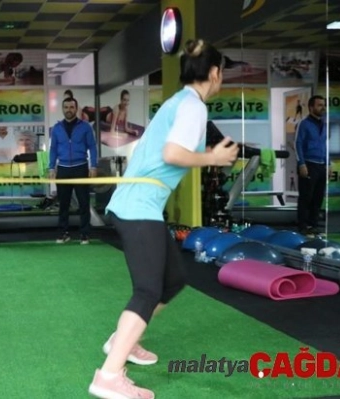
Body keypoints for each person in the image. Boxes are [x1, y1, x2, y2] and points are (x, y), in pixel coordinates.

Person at [89, 39, 238, 399]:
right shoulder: (192, 106)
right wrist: (212, 159)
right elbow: (173, 153)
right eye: (221, 74)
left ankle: (122, 340)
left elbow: (170, 150)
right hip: (137, 207)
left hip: (142, 206)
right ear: (215, 74)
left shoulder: (181, 102)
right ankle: (108, 377)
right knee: (148, 290)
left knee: (172, 280)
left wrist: (205, 154)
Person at [48, 97, 98, 245]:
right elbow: (53, 149)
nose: (68, 110)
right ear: (62, 109)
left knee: (84, 203)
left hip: (81, 167)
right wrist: (51, 167)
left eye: (71, 107)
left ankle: (85, 234)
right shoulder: (57, 128)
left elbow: (92, 147)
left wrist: (93, 166)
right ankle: (63, 233)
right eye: (66, 107)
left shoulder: (85, 127)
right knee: (64, 204)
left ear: (76, 109)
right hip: (63, 169)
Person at [295, 95, 328, 236]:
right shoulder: (304, 124)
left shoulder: (324, 124)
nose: (323, 107)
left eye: (324, 105)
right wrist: (301, 163)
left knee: (318, 197)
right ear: (311, 107)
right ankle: (303, 226)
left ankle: (313, 225)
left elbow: (324, 145)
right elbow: (298, 144)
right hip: (308, 164)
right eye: (320, 105)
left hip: (321, 165)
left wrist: (328, 163)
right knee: (306, 197)